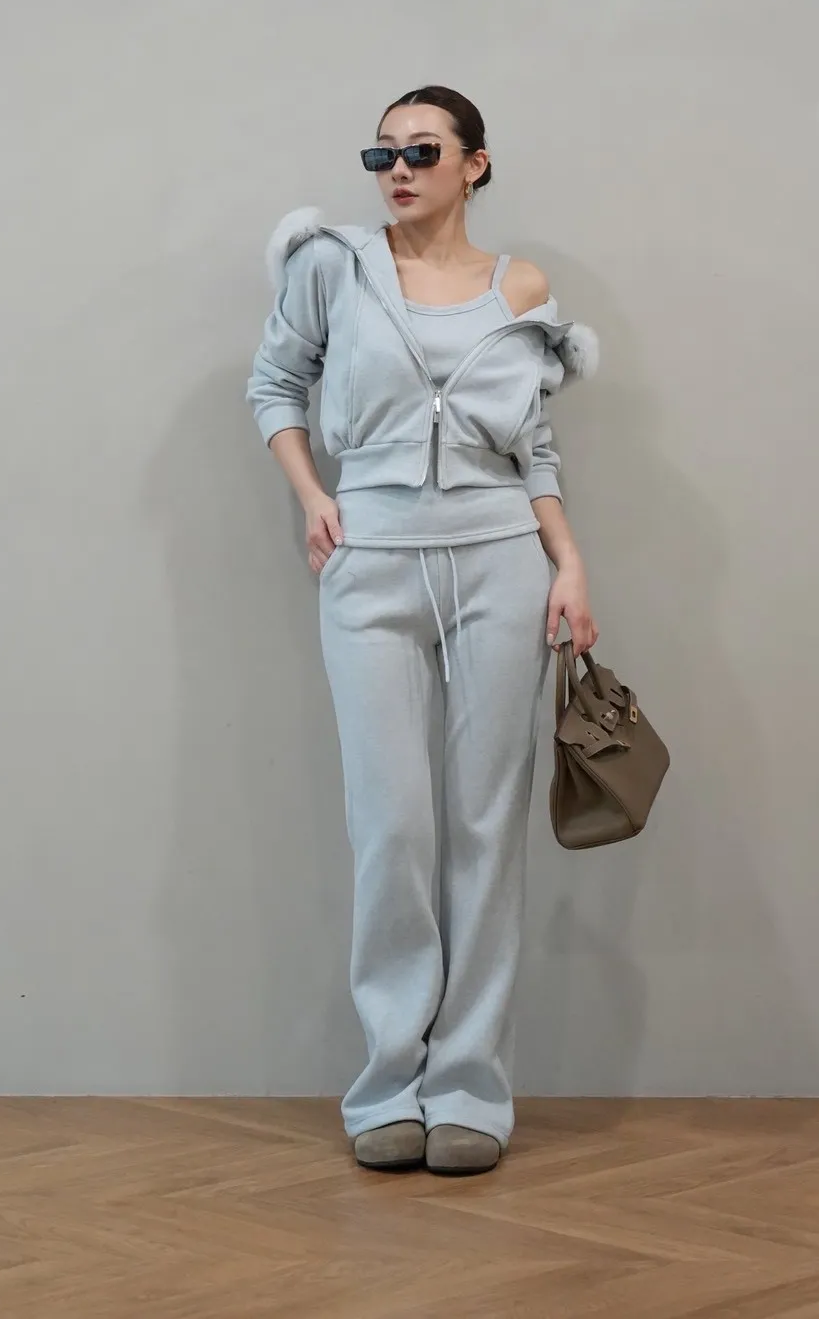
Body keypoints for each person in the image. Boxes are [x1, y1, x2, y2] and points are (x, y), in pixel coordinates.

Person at [247, 86, 599, 1176]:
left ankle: (470, 1090)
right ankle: (388, 1082)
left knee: (486, 829)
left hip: (499, 560)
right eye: (381, 154)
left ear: (474, 164)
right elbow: (274, 385)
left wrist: (567, 561)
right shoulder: (332, 267)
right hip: (372, 562)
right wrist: (315, 496)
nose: (396, 170)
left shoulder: (518, 286)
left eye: (421, 151)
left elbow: (532, 445)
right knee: (392, 827)